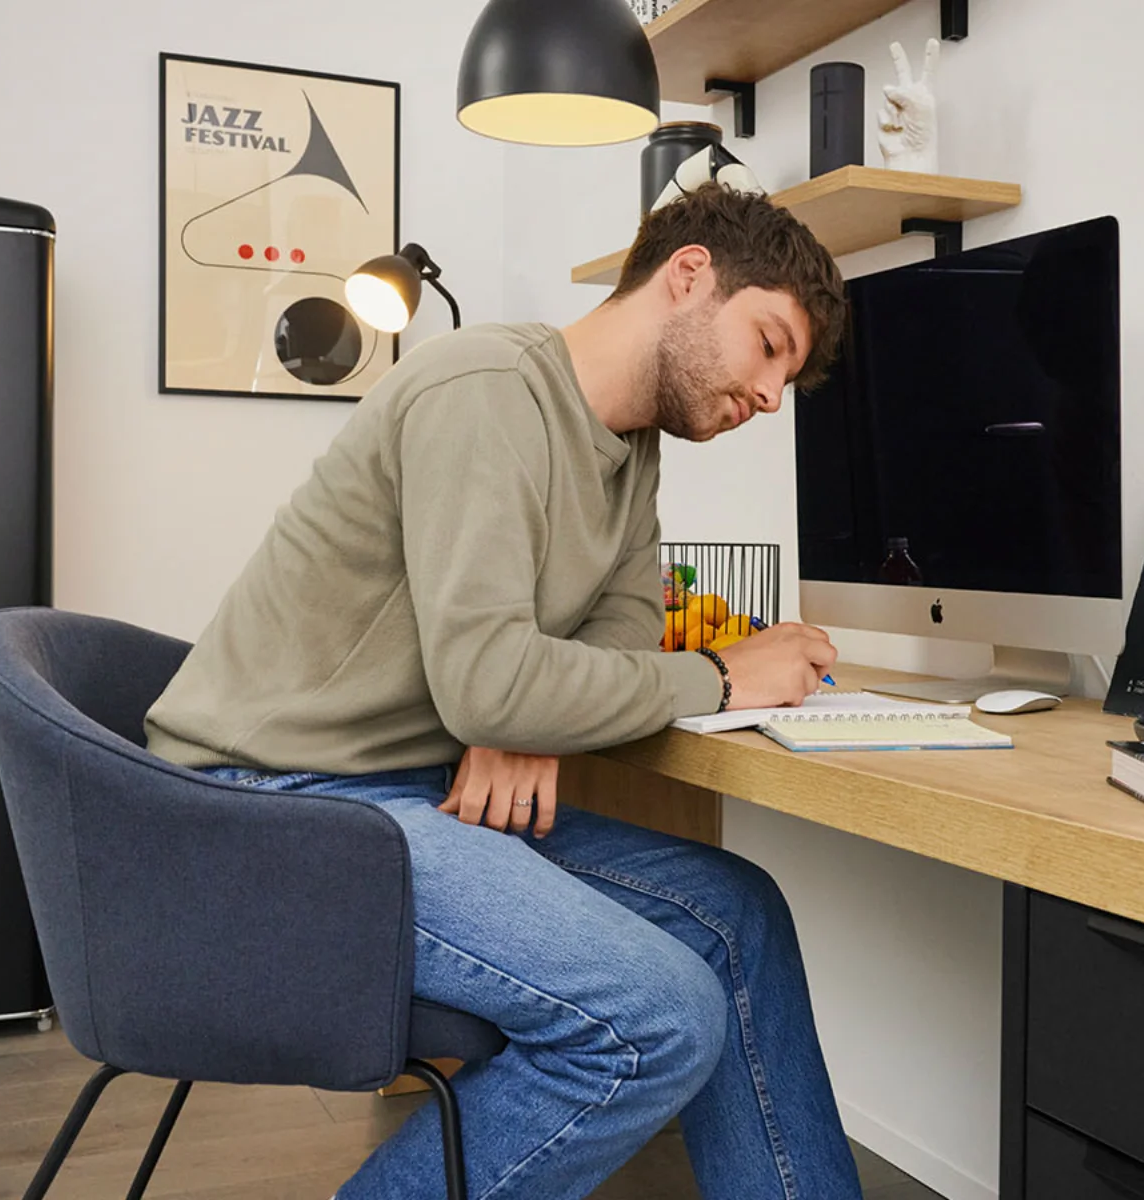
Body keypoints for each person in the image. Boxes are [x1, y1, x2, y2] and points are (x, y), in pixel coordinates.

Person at [144, 183, 858, 1199]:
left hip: (398, 790)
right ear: (689, 275)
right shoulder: (483, 388)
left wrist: (526, 717)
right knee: (662, 1016)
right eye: (769, 344)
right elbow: (493, 680)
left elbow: (607, 626)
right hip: (268, 810)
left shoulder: (630, 447)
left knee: (737, 915)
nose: (771, 395)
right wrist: (718, 673)